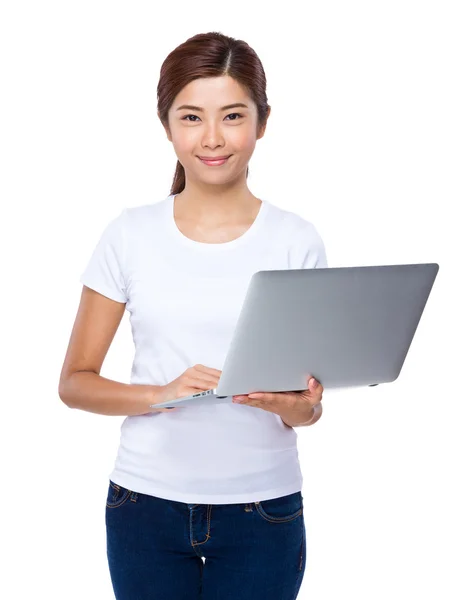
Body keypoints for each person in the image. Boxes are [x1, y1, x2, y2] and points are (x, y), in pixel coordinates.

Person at [58, 31, 327, 600]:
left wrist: (291, 406)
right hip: (144, 508)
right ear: (166, 125)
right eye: (190, 117)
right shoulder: (128, 234)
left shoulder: (296, 241)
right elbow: (74, 383)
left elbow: (308, 410)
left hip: (264, 512)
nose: (212, 139)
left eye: (232, 116)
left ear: (262, 122)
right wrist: (163, 393)